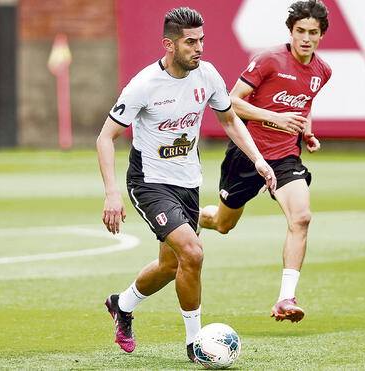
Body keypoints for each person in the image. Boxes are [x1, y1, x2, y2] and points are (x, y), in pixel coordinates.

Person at [96, 7, 276, 361]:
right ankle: (196, 345)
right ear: (169, 44)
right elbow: (105, 138)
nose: (199, 48)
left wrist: (258, 159)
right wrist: (112, 195)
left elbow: (229, 120)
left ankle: (122, 304)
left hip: (188, 183)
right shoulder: (144, 85)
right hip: (150, 183)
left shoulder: (207, 75)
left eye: (202, 40)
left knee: (171, 265)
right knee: (192, 252)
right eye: (190, 42)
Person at [198, 0, 331, 323]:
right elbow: (230, 102)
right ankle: (188, 216)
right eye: (300, 31)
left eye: (313, 32)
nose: (306, 38)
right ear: (291, 31)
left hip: (285, 156)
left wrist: (307, 131)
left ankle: (286, 298)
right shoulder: (269, 59)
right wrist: (275, 117)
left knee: (301, 218)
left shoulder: (322, 70)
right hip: (247, 154)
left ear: (321, 35)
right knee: (223, 224)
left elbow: (304, 103)